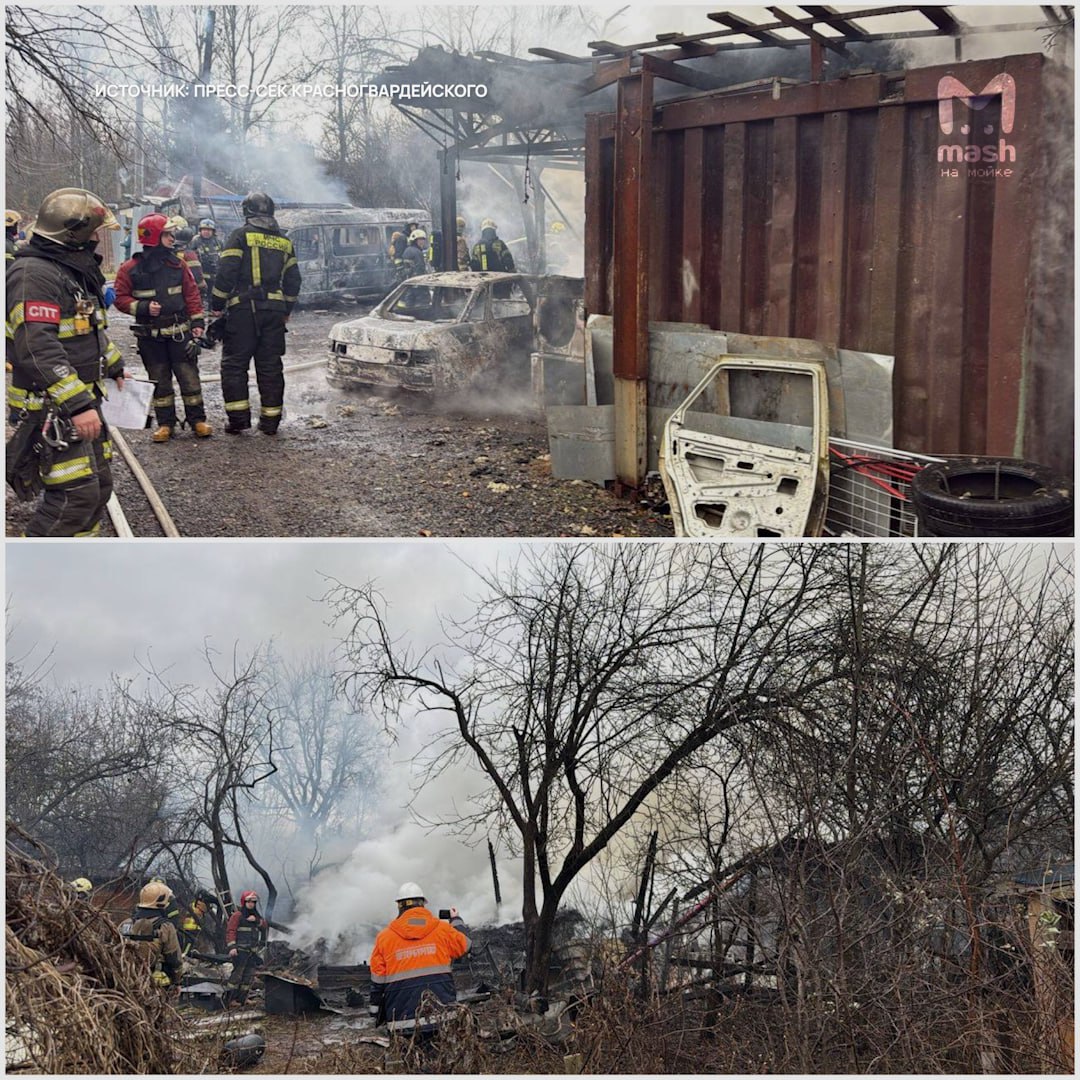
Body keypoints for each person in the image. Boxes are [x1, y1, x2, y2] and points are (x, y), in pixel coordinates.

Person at [6, 188, 127, 536]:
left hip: (80, 400)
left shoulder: (67, 270)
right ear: (72, 233)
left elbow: (86, 329)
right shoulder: (34, 275)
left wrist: (114, 364)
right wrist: (76, 404)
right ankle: (33, 577)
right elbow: (35, 347)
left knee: (98, 488)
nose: (97, 238)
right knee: (75, 495)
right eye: (94, 231)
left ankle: (79, 567)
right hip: (53, 407)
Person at [114, 213, 210, 442]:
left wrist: (197, 324)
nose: (172, 237)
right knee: (159, 380)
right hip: (151, 337)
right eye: (167, 234)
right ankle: (166, 423)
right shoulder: (130, 268)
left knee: (189, 378)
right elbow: (120, 298)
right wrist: (143, 307)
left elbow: (192, 294)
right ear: (154, 237)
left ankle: (197, 420)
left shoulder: (179, 264)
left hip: (179, 333)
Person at [211, 192, 301, 435]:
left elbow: (226, 273)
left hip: (243, 312)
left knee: (234, 366)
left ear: (247, 211)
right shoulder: (285, 241)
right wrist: (287, 309)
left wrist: (217, 304)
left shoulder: (240, 236)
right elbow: (294, 281)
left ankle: (239, 420)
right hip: (274, 313)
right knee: (270, 366)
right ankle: (270, 422)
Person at [369, 883, 470, 1039]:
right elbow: (466, 945)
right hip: (443, 1018)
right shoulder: (441, 929)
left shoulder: (384, 937)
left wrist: (374, 1013)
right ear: (423, 904)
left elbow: (377, 982)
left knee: (407, 1062)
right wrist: (456, 920)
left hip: (402, 1023)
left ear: (399, 907)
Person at [124, 882, 184, 990]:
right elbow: (174, 959)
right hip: (154, 986)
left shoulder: (126, 923)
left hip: (126, 980)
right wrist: (177, 982)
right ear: (161, 902)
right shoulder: (165, 926)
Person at [225, 890, 268, 1007]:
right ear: (244, 902)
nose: (251, 904)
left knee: (248, 976)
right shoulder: (237, 916)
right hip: (240, 951)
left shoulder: (256, 917)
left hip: (252, 952)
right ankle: (230, 999)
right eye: (249, 901)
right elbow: (231, 931)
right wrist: (232, 947)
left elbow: (264, 926)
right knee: (237, 975)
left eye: (253, 902)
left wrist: (257, 921)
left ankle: (243, 999)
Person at [191, 219, 223, 301]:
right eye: (204, 229)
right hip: (201, 278)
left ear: (213, 231)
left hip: (215, 277)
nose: (206, 232)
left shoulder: (218, 242)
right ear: (200, 230)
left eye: (209, 230)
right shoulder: (195, 241)